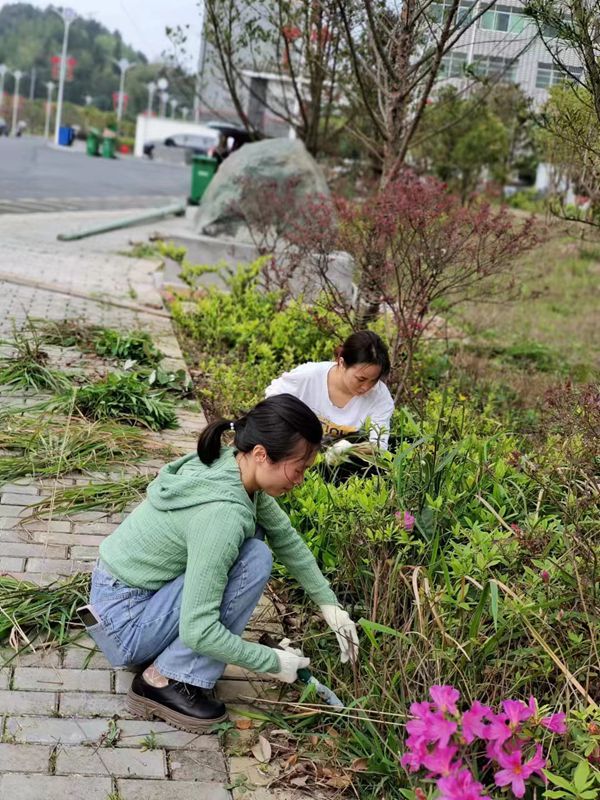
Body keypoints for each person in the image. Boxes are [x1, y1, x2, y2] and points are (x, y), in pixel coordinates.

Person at [80, 394, 358, 733]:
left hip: (117, 601)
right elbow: (199, 630)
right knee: (254, 560)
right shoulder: (223, 514)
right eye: (297, 469)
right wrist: (271, 663)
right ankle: (163, 680)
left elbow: (285, 537)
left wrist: (329, 604)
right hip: (125, 626)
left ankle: (169, 664)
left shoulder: (233, 466)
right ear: (261, 454)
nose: (299, 480)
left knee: (256, 546)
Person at [265, 330, 394, 453]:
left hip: (341, 465)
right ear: (342, 363)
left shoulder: (380, 397)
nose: (366, 387)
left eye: (374, 380)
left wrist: (349, 450)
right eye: (361, 379)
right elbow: (273, 401)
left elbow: (378, 446)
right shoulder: (308, 376)